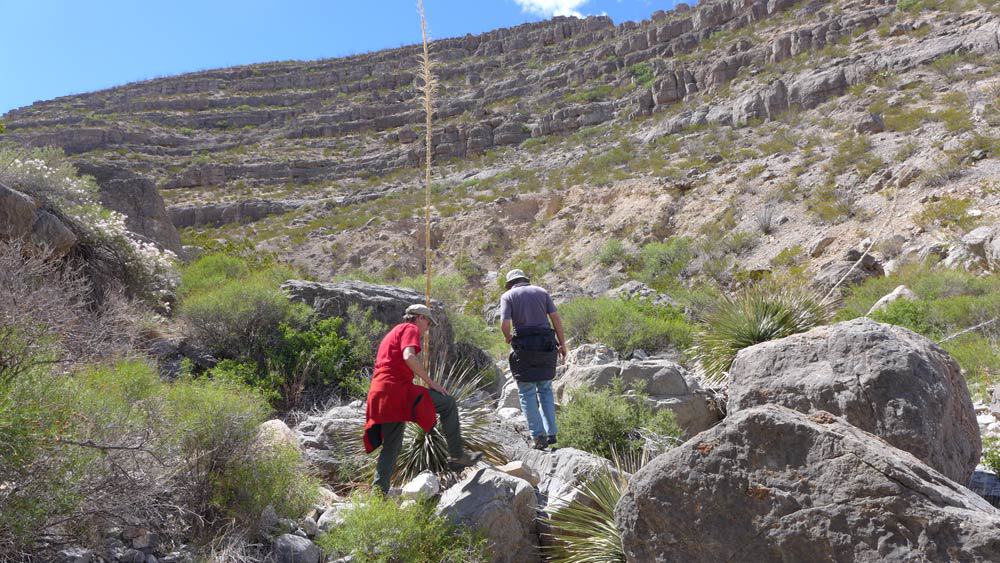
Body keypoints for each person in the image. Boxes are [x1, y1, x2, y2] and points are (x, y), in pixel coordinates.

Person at [363, 303, 482, 493]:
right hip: (397, 391)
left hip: (379, 393)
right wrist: (430, 382)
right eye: (428, 323)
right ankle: (457, 456)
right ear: (419, 318)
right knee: (448, 403)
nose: (428, 328)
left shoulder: (392, 332)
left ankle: (379, 493)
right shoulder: (410, 328)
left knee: (392, 445)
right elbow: (408, 355)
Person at [499, 269, 567, 450]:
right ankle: (551, 432)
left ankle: (538, 436)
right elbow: (556, 320)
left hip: (524, 346)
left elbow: (505, 324)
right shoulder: (542, 292)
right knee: (545, 388)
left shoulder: (508, 296)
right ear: (525, 280)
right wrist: (562, 344)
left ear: (510, 283)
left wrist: (508, 337)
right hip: (546, 344)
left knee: (527, 392)